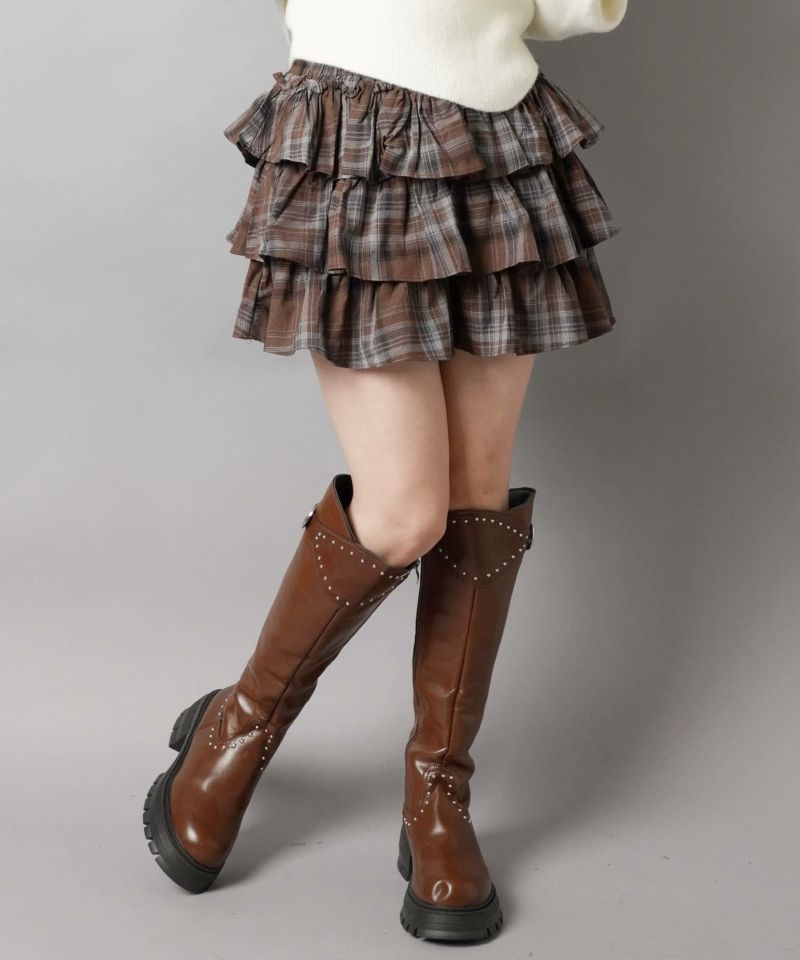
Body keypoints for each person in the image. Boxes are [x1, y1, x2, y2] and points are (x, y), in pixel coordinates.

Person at [142, 0, 629, 942]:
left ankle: (438, 794)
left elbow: (571, 10)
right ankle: (240, 724)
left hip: (496, 139)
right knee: (405, 512)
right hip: (353, 132)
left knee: (478, 503)